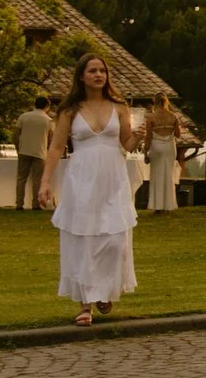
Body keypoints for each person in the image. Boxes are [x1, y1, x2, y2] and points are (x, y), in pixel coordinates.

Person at [39, 53, 146, 325]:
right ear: (81, 76)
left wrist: (138, 136)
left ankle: (105, 289)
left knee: (113, 239)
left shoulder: (119, 106)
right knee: (84, 240)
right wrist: (45, 182)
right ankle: (85, 304)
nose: (99, 75)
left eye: (102, 71)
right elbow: (55, 148)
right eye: (92, 71)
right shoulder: (70, 110)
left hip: (113, 178)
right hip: (82, 179)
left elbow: (127, 145)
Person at [145, 95, 184, 214]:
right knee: (169, 174)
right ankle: (168, 205)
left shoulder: (151, 117)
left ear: (154, 102)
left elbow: (148, 137)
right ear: (166, 102)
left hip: (156, 146)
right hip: (169, 147)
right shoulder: (173, 116)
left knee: (156, 175)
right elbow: (178, 134)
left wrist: (145, 152)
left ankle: (157, 206)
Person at [15, 95, 53, 209]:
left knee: (21, 178)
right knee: (37, 180)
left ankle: (19, 203)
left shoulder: (24, 116)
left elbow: (16, 134)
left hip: (24, 150)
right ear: (47, 106)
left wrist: (18, 147)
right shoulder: (48, 120)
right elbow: (51, 138)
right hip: (40, 152)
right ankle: (36, 204)